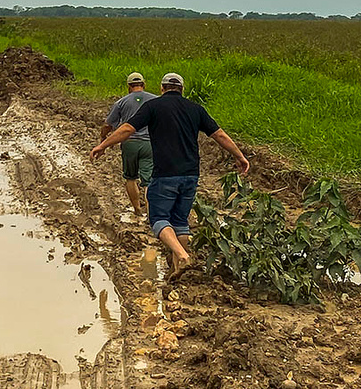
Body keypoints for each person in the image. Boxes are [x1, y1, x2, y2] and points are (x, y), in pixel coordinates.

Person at [90, 72, 249, 275]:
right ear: (182, 89)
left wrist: (103, 145)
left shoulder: (153, 106)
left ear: (162, 88)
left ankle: (182, 255)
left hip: (165, 174)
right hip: (191, 174)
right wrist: (239, 156)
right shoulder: (196, 109)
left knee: (158, 219)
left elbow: (127, 129)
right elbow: (219, 134)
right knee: (180, 223)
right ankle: (176, 268)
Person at [100, 72, 157, 217]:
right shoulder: (155, 100)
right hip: (149, 144)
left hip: (129, 143)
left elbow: (108, 124)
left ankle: (137, 210)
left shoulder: (121, 102)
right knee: (149, 180)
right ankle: (152, 214)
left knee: (130, 177)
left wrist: (103, 139)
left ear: (128, 87)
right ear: (143, 85)